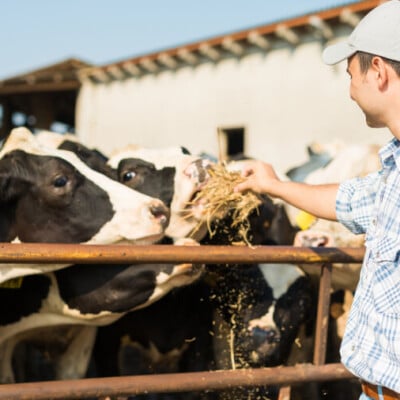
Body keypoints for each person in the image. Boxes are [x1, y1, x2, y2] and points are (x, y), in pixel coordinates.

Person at [234, 1, 400, 399]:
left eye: (350, 75)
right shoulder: (393, 173)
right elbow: (349, 199)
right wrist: (275, 185)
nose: (350, 91)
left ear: (376, 71)